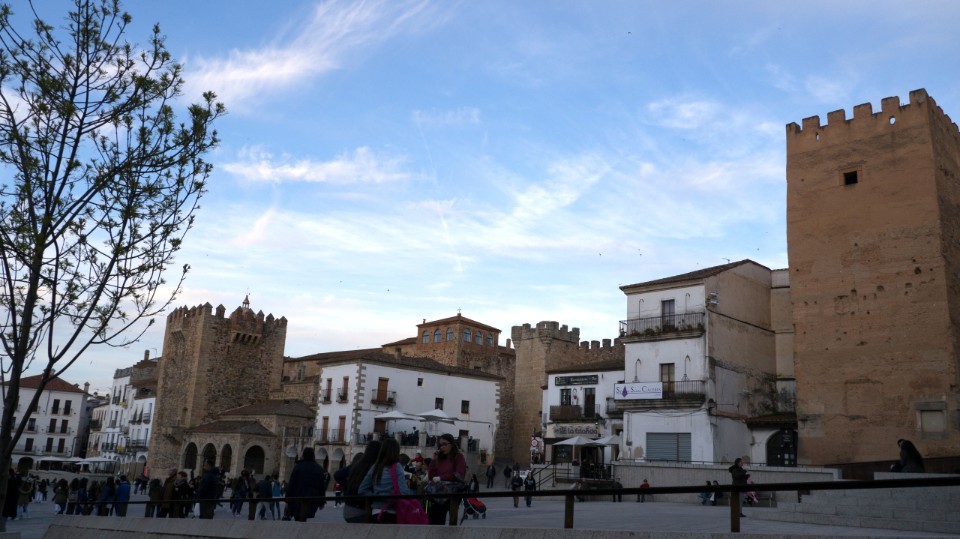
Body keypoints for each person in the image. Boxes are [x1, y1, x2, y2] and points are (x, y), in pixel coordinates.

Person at [358, 438, 414, 524]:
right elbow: (404, 491)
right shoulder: (397, 467)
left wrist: (376, 496)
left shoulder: (375, 467)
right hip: (392, 510)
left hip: (376, 511)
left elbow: (362, 489)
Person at [426, 433, 467, 525]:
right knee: (432, 511)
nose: (442, 447)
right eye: (440, 445)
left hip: (452, 493)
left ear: (451, 444)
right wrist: (433, 460)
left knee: (438, 510)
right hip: (439, 493)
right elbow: (431, 477)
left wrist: (441, 477)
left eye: (445, 444)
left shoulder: (458, 457)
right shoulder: (440, 458)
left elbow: (459, 475)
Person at [340, 440, 381, 523]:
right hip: (362, 510)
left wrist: (348, 485)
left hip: (348, 508)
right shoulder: (374, 467)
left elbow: (337, 475)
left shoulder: (357, 464)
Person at [286, 446, 328, 522]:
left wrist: (288, 499)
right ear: (313, 456)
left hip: (298, 498)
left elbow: (291, 484)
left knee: (298, 518)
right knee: (307, 517)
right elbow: (322, 486)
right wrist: (322, 501)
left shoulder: (298, 467)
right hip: (312, 499)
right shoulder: (318, 468)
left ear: (303, 455)